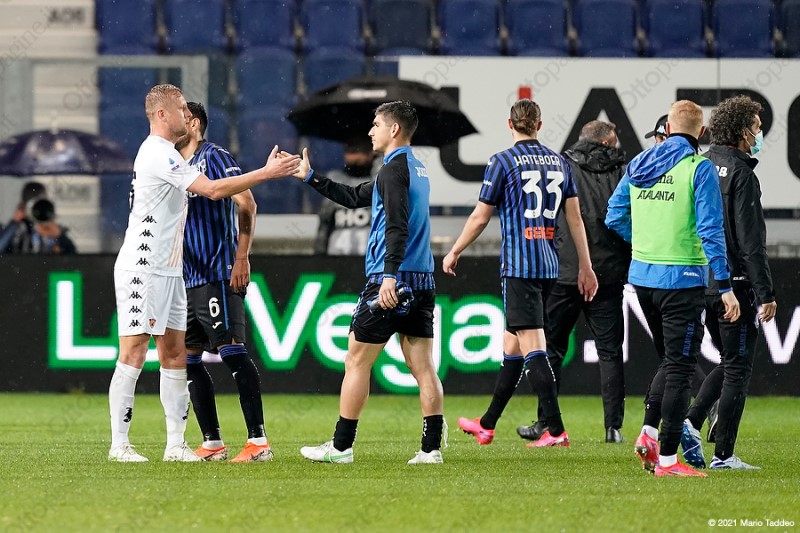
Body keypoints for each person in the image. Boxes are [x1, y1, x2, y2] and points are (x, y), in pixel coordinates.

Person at [108, 84, 300, 462]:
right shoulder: (157, 152)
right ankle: (120, 445)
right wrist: (266, 172)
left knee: (176, 356)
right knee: (134, 352)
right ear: (162, 114)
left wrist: (241, 254)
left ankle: (176, 445)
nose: (187, 114)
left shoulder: (183, 155)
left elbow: (235, 200)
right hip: (143, 267)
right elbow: (212, 190)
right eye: (180, 108)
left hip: (173, 271)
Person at [278, 101, 445, 464]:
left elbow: (397, 226)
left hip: (392, 279)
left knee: (356, 360)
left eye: (376, 124)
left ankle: (341, 447)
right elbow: (354, 197)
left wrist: (388, 276)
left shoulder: (393, 171)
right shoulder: (415, 169)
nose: (370, 131)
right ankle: (431, 448)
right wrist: (311, 177)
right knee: (423, 366)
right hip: (421, 277)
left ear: (394, 130)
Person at [444, 99, 598, 448]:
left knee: (533, 348)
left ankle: (555, 430)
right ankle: (487, 424)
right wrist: (586, 266)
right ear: (539, 125)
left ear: (509, 124)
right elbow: (575, 219)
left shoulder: (502, 161)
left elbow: (480, 217)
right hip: (549, 266)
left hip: (520, 267)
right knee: (512, 345)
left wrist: (455, 250)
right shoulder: (560, 162)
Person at [605, 100, 740, 478]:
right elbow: (711, 231)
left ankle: (649, 434)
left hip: (642, 279)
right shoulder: (698, 168)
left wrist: (646, 243)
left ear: (667, 127)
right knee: (681, 368)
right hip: (681, 280)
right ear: (702, 132)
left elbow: (613, 215)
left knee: (670, 360)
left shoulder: (639, 163)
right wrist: (725, 285)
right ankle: (666, 460)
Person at [516, 120, 629, 444]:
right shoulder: (623, 170)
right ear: (606, 142)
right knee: (610, 352)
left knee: (550, 348)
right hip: (607, 273)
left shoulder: (561, 167)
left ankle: (547, 422)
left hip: (564, 271)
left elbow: (543, 215)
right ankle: (613, 428)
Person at [679, 95, 776, 470]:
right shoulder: (742, 175)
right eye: (756, 127)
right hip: (733, 284)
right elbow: (751, 243)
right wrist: (765, 292)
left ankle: (690, 422)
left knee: (728, 361)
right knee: (738, 367)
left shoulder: (699, 164)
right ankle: (722, 454)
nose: (759, 134)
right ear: (741, 131)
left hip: (699, 281)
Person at [175, 102, 272, 463]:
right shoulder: (173, 164)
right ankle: (212, 442)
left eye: (178, 116)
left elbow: (247, 203)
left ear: (193, 123)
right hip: (186, 278)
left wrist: (241, 256)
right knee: (188, 360)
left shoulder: (213, 157)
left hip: (217, 272)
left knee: (232, 352)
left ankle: (258, 441)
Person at [313, 138, 377, 256]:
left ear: (370, 153)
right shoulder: (335, 179)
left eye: (359, 151)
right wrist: (320, 254)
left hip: (371, 256)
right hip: (337, 254)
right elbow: (325, 221)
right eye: (350, 151)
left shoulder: (379, 180)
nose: (354, 157)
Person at [0, 181, 48, 253]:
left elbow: (66, 252)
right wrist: (14, 221)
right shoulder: (14, 228)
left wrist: (58, 234)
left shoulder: (48, 227)